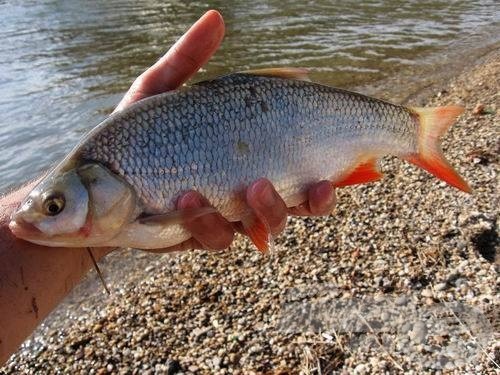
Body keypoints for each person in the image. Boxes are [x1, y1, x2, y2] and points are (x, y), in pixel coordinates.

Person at [0, 10, 336, 365]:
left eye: (55, 207)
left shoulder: (110, 159)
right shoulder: (108, 162)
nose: (38, 219)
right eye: (55, 208)